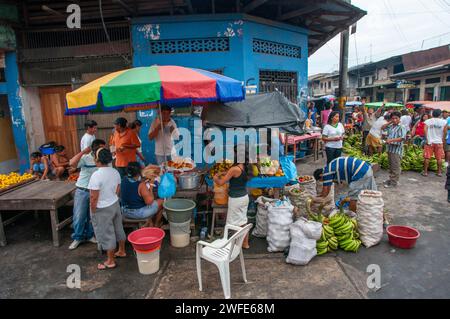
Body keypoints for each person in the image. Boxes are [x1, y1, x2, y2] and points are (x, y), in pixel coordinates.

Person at [88, 148, 126, 270]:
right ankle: (121, 250)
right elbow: (118, 188)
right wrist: (112, 197)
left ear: (97, 160)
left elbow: (94, 197)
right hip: (114, 204)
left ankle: (110, 261)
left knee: (107, 233)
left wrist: (93, 211)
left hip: (102, 208)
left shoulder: (96, 175)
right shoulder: (115, 172)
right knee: (118, 228)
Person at [68, 139, 106, 250]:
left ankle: (89, 235)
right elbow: (72, 163)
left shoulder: (103, 159)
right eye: (101, 148)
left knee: (92, 216)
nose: (103, 150)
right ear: (94, 149)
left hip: (95, 191)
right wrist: (83, 151)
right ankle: (78, 237)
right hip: (83, 190)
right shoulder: (85, 158)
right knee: (79, 215)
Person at [213, 146, 250, 249]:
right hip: (244, 197)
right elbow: (233, 174)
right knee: (243, 221)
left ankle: (230, 246)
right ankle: (245, 244)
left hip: (236, 199)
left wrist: (215, 177)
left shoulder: (234, 169)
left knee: (232, 223)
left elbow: (220, 183)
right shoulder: (245, 167)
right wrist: (225, 173)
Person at [120, 162, 164, 227]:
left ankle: (150, 222)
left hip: (124, 211)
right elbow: (149, 202)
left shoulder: (124, 179)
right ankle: (156, 224)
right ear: (140, 171)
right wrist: (151, 185)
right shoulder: (141, 185)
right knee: (162, 201)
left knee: (143, 201)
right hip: (137, 213)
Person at [381, 111, 407, 188]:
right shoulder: (391, 126)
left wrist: (391, 140)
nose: (395, 120)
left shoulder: (401, 127)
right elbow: (383, 127)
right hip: (390, 149)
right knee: (391, 166)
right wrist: (390, 122)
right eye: (393, 118)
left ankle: (394, 182)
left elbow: (402, 138)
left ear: (399, 118)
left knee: (395, 167)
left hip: (396, 150)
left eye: (396, 118)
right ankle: (391, 179)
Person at [423, 109, 448, 177]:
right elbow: (445, 132)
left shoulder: (428, 121)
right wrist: (442, 140)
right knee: (439, 158)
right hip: (439, 142)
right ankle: (439, 172)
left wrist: (427, 139)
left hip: (429, 142)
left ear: (432, 114)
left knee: (427, 157)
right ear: (440, 114)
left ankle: (425, 172)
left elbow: (424, 130)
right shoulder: (444, 122)